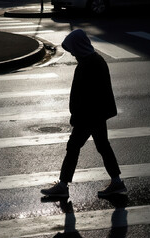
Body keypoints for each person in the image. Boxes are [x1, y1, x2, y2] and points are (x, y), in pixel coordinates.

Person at [41, 29, 126, 198]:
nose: (72, 53)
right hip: (96, 115)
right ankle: (116, 182)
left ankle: (63, 185)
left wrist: (77, 116)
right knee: (102, 146)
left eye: (73, 49)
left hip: (89, 116)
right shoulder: (93, 60)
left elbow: (87, 96)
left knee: (73, 147)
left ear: (79, 47)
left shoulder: (89, 64)